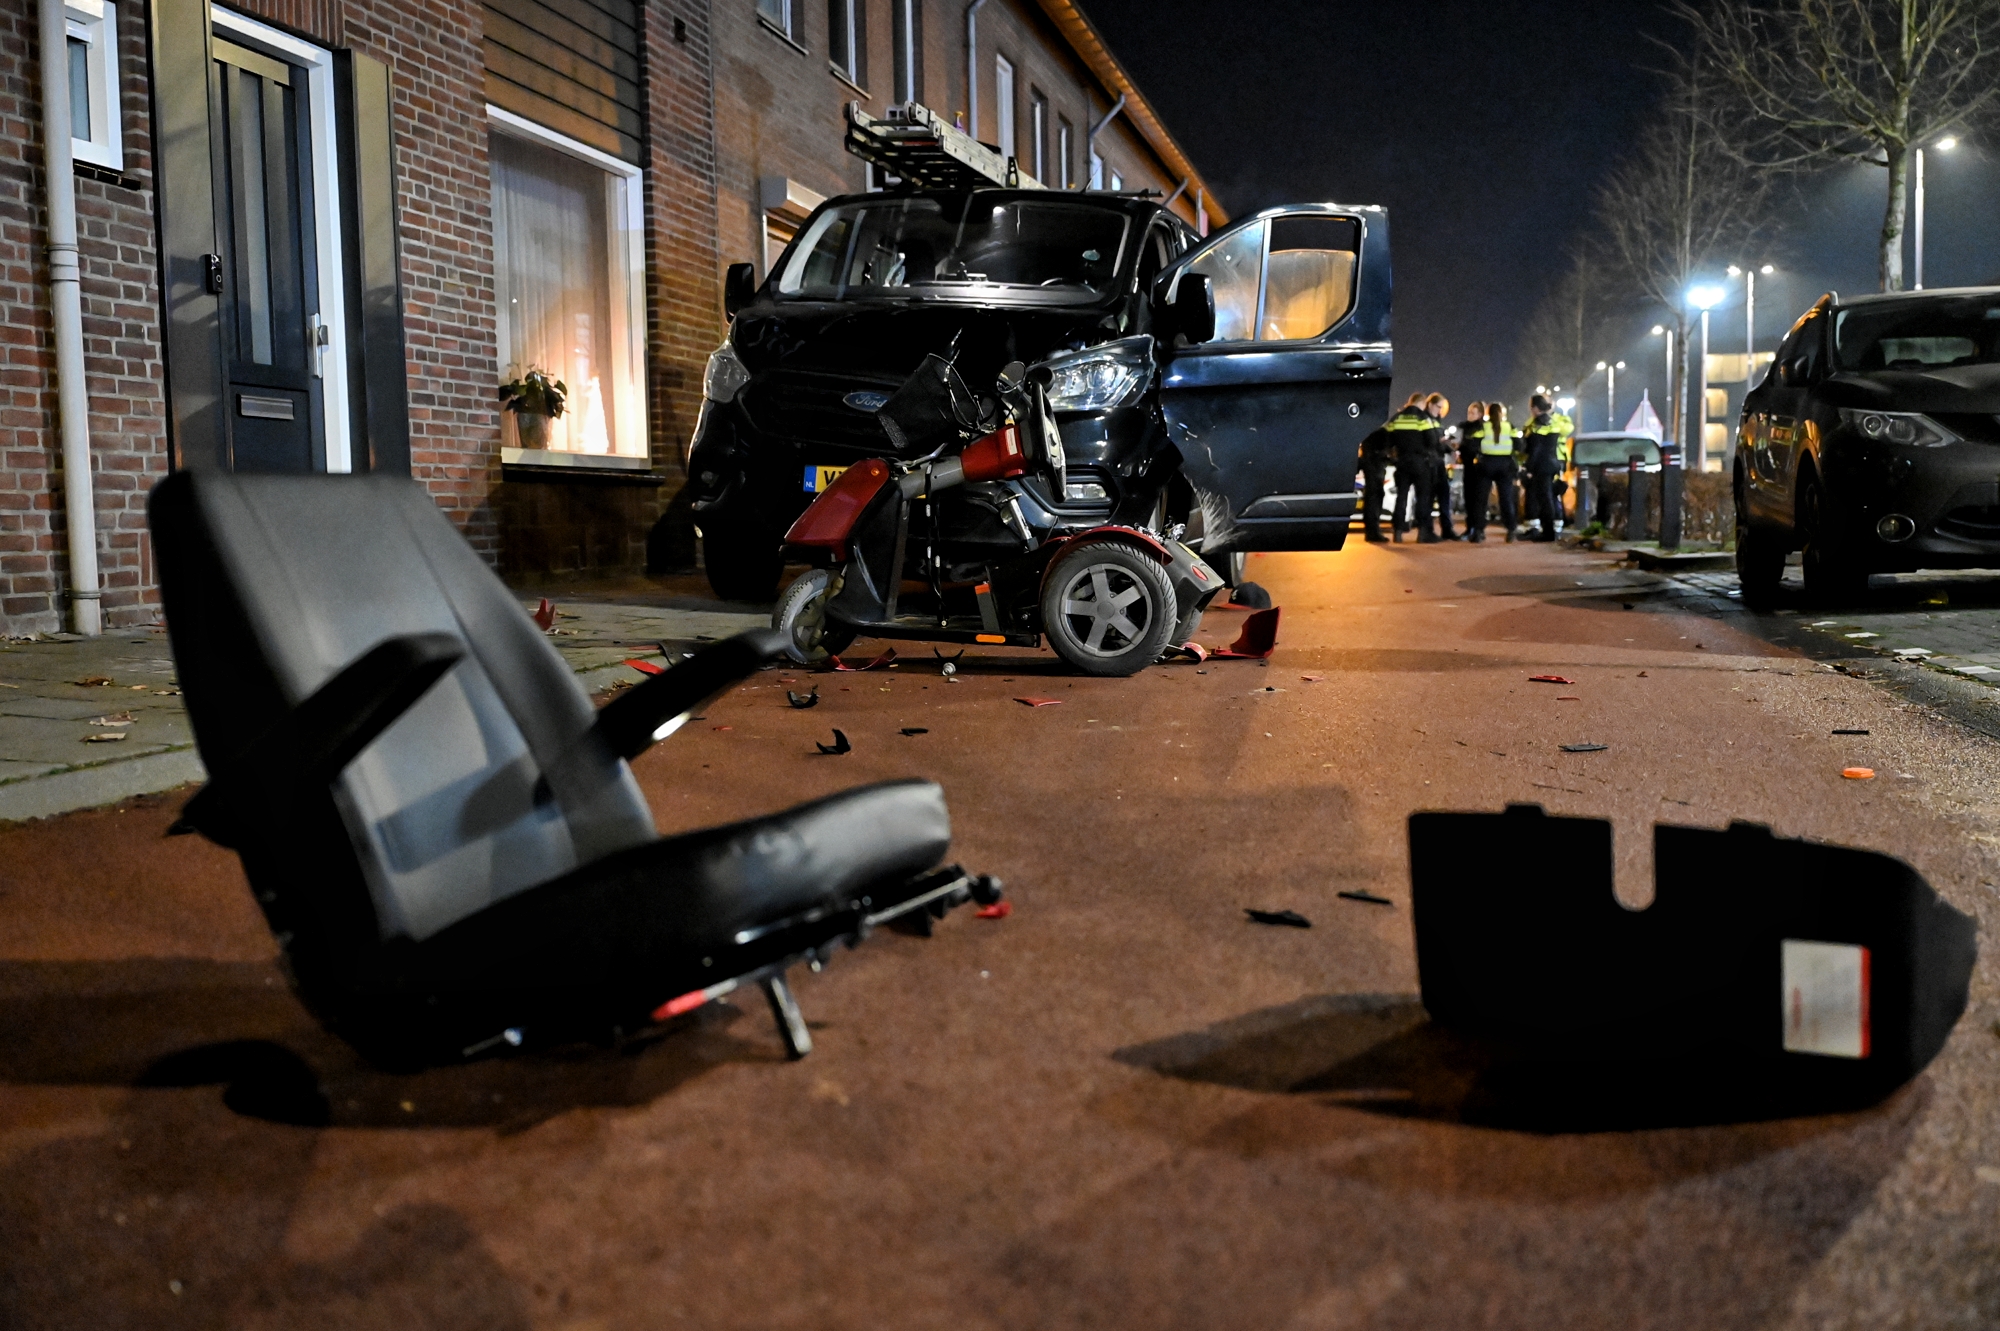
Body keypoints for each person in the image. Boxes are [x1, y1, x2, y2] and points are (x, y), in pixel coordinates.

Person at [1382, 393, 1441, 542]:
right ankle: (1422, 533)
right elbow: (1432, 440)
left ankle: (1398, 532)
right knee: (1422, 497)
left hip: (1402, 461)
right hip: (1420, 462)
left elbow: (1387, 439)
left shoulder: (1397, 417)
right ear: (1421, 403)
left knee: (1401, 497)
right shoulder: (1422, 418)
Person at [1519, 393, 1574, 542]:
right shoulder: (1554, 424)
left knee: (1545, 499)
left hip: (1541, 466)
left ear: (1536, 408)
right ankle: (1549, 530)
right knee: (1548, 497)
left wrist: (1527, 468)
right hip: (1553, 463)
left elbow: (1535, 449)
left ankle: (1548, 532)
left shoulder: (1536, 425)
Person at [1465, 400, 1519, 542]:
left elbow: (1471, 445)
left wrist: (1478, 456)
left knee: (1481, 499)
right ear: (1501, 413)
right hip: (1505, 465)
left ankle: (1478, 531)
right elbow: (1519, 444)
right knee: (1506, 499)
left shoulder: (1483, 427)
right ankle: (1511, 530)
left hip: (1486, 464)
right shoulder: (1509, 427)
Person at [1424, 392, 1459, 540]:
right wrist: (1441, 442)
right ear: (1430, 404)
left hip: (1438, 462)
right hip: (1429, 463)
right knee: (1429, 498)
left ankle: (1447, 529)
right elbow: (1430, 442)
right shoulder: (1425, 419)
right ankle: (1428, 530)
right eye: (1438, 407)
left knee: (1444, 495)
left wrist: (1451, 449)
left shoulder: (1437, 421)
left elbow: (1439, 443)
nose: (1440, 411)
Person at [1358, 419, 1392, 543]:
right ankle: (1373, 531)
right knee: (1375, 496)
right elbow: (1385, 450)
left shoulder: (1366, 431)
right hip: (1376, 465)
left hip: (1369, 464)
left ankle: (1371, 530)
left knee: (1371, 496)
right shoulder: (1381, 432)